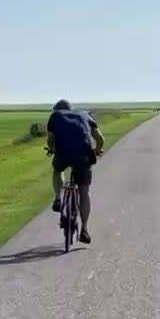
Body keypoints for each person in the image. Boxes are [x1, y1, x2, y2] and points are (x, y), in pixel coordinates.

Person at [46, 99, 105, 244]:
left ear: (56, 109)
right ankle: (84, 230)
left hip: (63, 154)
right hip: (83, 155)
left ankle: (58, 198)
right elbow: (100, 139)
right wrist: (96, 151)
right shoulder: (85, 115)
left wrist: (52, 149)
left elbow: (50, 140)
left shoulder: (55, 116)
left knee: (57, 170)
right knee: (84, 191)